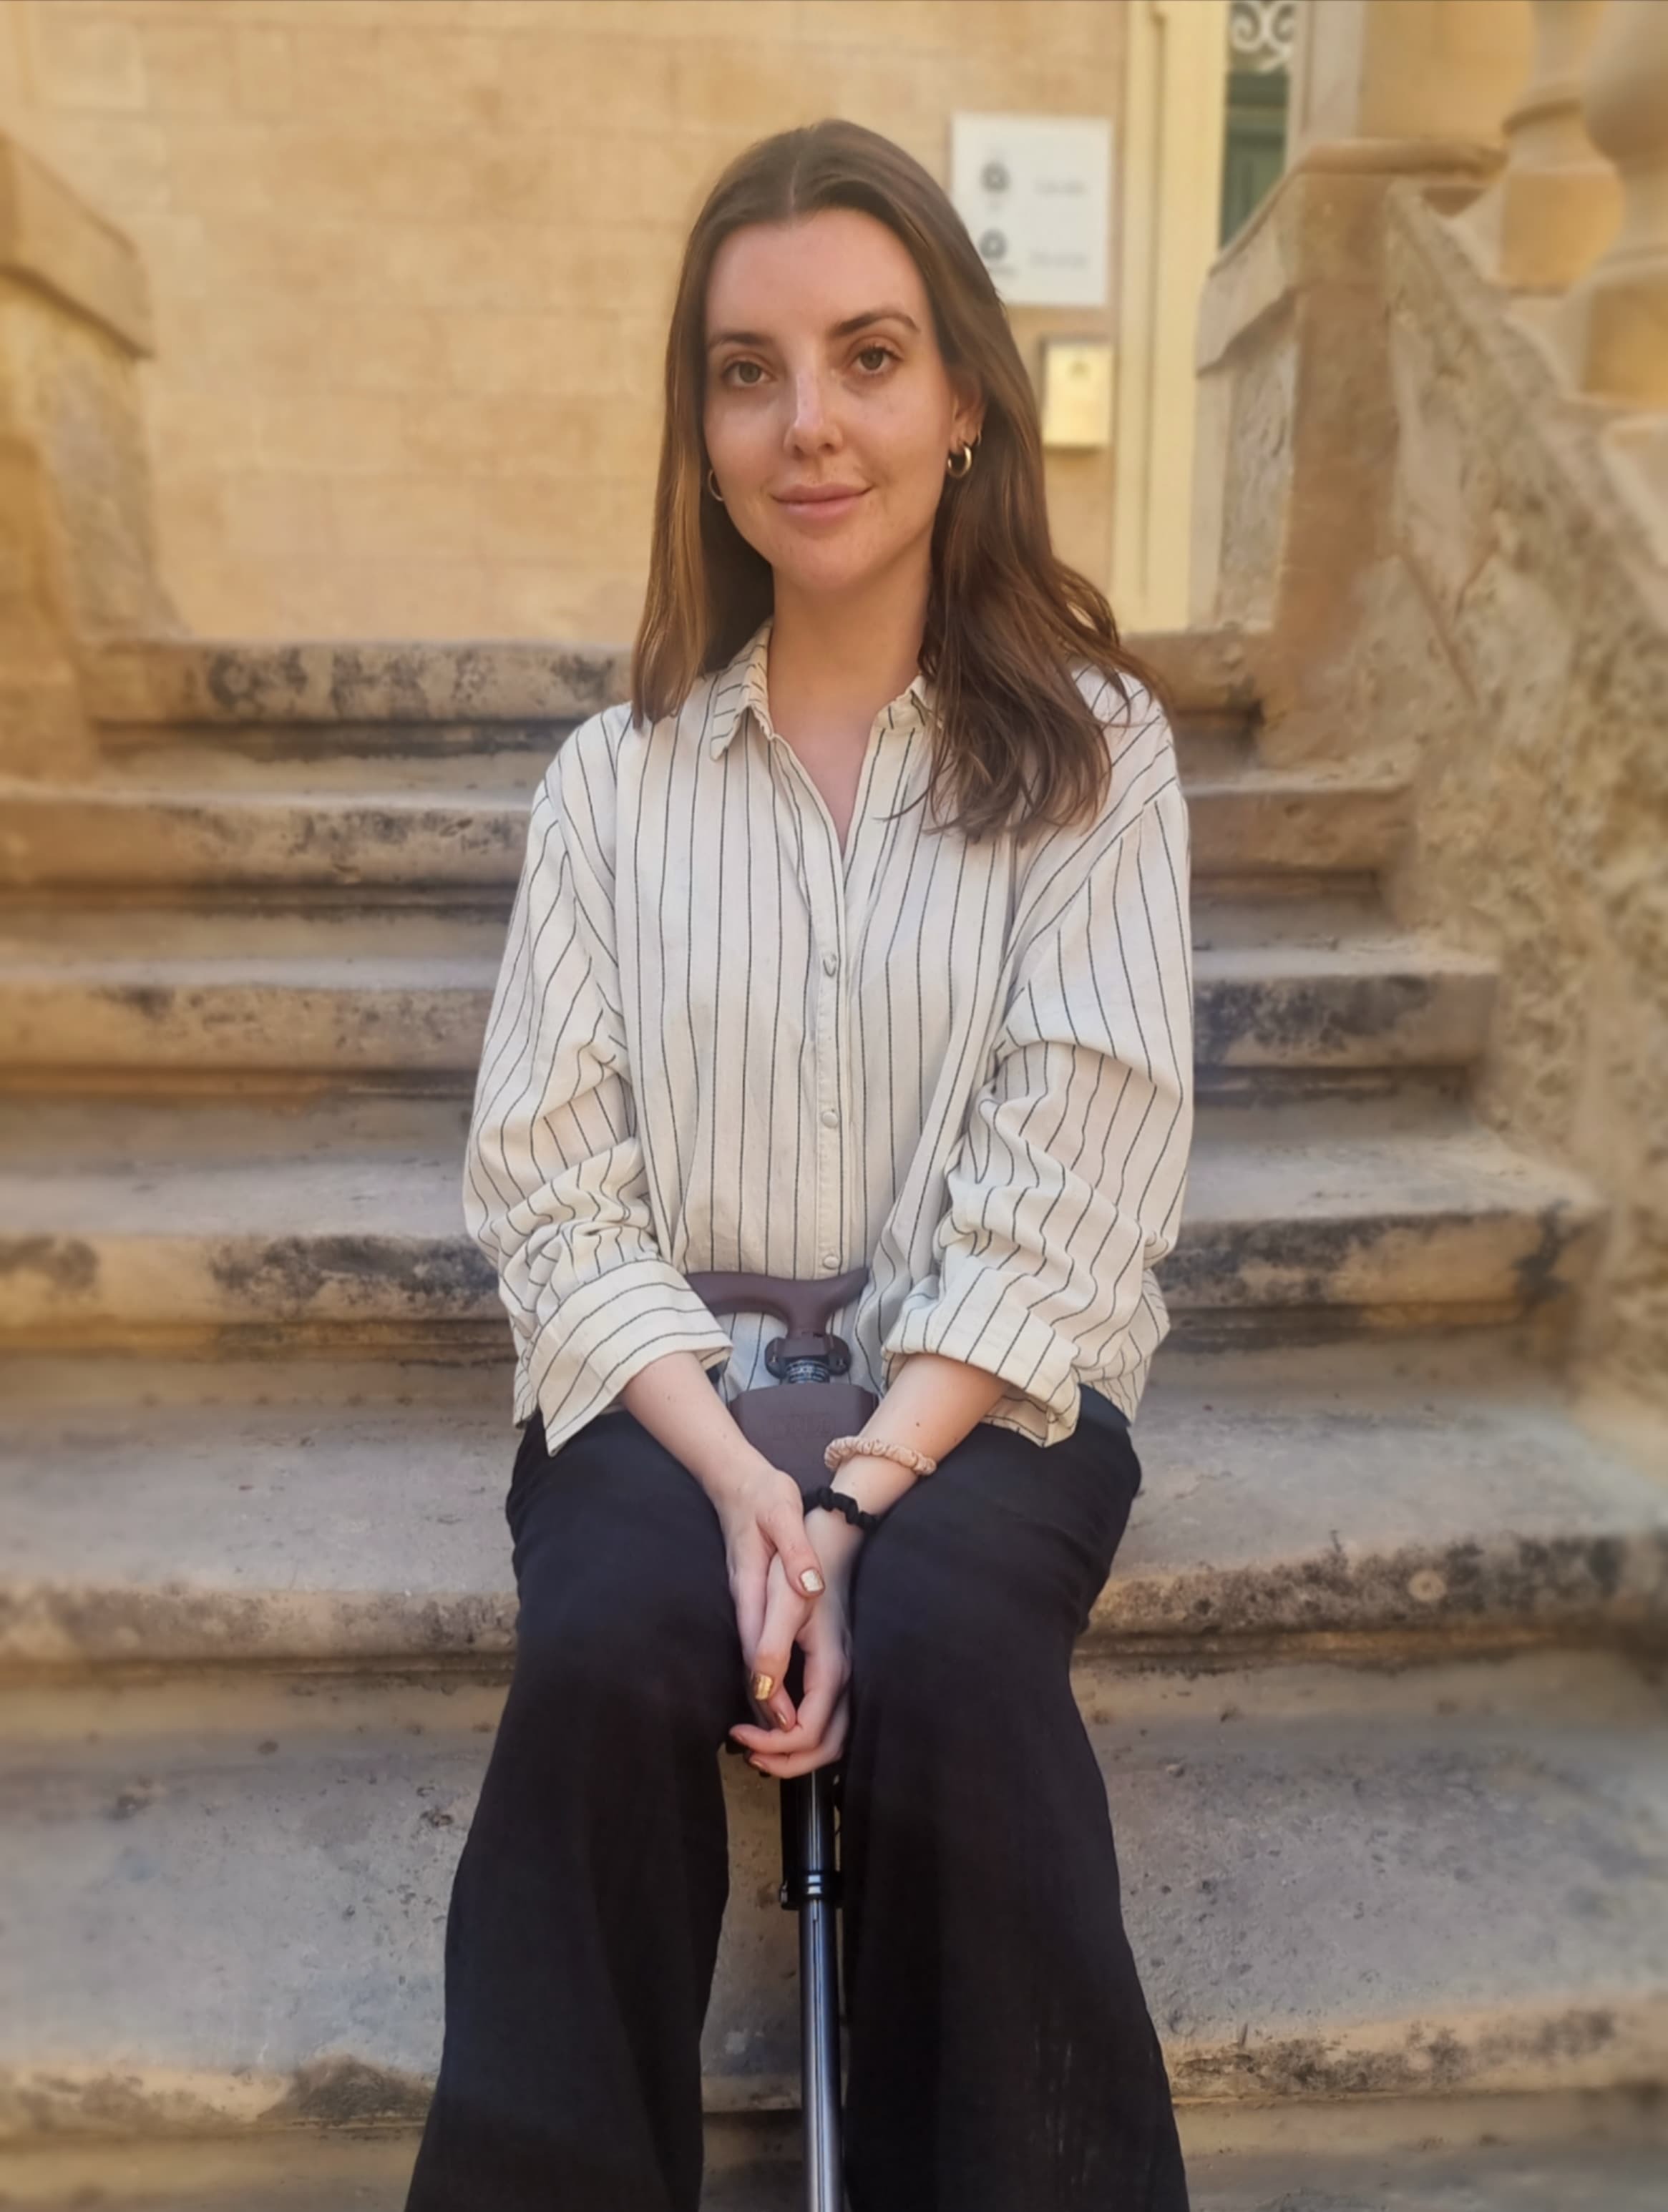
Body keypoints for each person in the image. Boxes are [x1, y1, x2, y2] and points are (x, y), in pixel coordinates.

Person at [404, 117, 1194, 2212]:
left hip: (982, 1396)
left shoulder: (1095, 762)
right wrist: (744, 1479)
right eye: (747, 372)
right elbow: (552, 1185)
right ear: (701, 428)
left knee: (950, 1655)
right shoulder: (612, 788)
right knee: (604, 1651)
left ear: (964, 404)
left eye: (867, 357)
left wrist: (849, 1504)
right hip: (670, 1386)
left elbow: (1073, 1177)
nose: (808, 424)